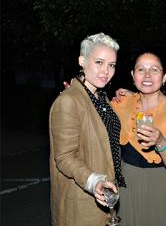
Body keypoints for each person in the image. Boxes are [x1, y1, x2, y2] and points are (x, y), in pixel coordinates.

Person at [49, 33, 125, 226]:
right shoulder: (68, 101)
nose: (106, 71)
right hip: (83, 203)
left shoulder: (102, 98)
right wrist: (95, 182)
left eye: (111, 65)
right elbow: (65, 157)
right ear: (82, 61)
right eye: (99, 62)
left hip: (106, 198)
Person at [110, 52, 166, 226]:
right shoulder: (122, 103)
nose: (147, 75)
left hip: (160, 187)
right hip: (126, 184)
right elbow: (94, 116)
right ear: (132, 75)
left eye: (154, 69)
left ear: (164, 77)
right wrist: (80, 93)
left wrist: (161, 142)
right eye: (141, 69)